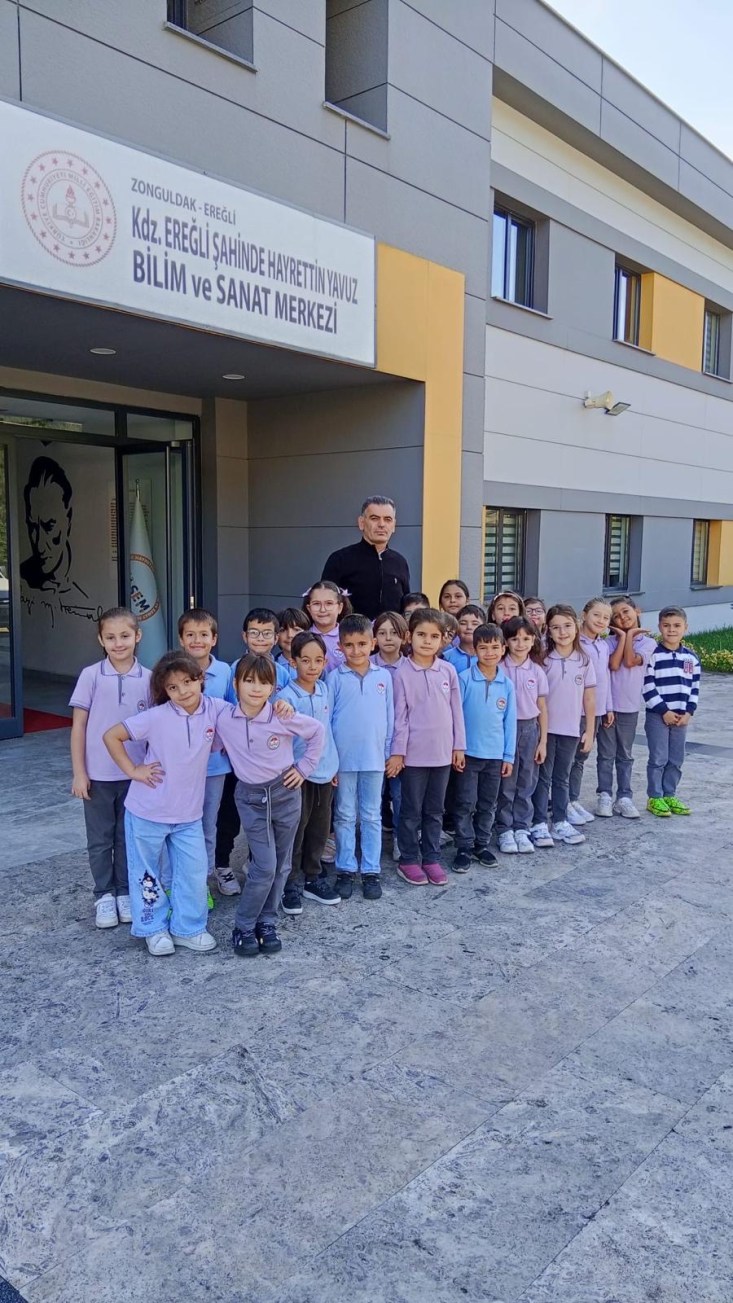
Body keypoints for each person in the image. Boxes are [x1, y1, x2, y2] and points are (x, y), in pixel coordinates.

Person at [103, 651, 221, 957]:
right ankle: (153, 929)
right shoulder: (156, 717)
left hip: (189, 815)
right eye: (173, 687)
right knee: (147, 874)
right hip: (148, 812)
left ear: (200, 679)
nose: (183, 691)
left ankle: (188, 928)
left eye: (188, 682)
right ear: (164, 691)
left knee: (193, 872)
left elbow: (246, 715)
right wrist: (133, 770)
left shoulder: (215, 709)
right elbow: (112, 736)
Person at [216, 654, 324, 956]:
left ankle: (267, 922)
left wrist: (303, 769)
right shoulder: (224, 717)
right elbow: (208, 738)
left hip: (285, 794)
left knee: (282, 864)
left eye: (264, 683)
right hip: (251, 799)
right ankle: (243, 925)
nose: (256, 688)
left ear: (273, 688)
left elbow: (317, 732)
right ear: (236, 684)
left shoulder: (281, 714)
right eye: (248, 681)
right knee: (264, 866)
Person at [69, 607, 152, 929]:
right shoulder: (91, 675)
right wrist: (80, 772)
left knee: (127, 836)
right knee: (100, 839)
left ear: (137, 636)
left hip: (135, 775)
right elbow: (79, 727)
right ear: (100, 640)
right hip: (98, 776)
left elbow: (154, 728)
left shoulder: (148, 679)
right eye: (111, 637)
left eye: (125, 636)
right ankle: (104, 894)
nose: (119, 643)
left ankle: (125, 891)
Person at [388, 609, 465, 886]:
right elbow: (399, 717)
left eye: (434, 636)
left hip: (442, 754)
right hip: (413, 756)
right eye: (421, 635)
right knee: (410, 811)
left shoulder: (448, 670)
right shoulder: (401, 673)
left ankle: (431, 858)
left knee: (434, 810)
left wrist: (459, 746)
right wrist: (398, 752)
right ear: (409, 636)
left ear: (443, 639)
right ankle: (408, 859)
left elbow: (456, 711)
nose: (427, 641)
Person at [214, 606, 292, 875]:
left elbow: (288, 709)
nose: (260, 638)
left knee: (265, 818)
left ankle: (255, 864)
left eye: (267, 633)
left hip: (270, 759)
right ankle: (222, 865)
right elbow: (227, 710)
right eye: (254, 632)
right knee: (229, 815)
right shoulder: (233, 670)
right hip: (239, 759)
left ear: (276, 637)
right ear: (244, 636)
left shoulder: (283, 672)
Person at [328, 613, 394, 901]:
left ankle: (370, 870)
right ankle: (345, 868)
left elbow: (390, 718)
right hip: (343, 761)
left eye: (362, 644)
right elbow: (326, 721)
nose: (356, 650)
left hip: (374, 759)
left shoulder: (384, 677)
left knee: (371, 815)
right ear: (340, 646)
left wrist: (389, 753)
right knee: (344, 814)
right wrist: (330, 761)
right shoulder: (334, 678)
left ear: (373, 643)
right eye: (349, 645)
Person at [277, 632, 341, 914]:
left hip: (325, 771)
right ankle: (289, 883)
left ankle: (312, 878)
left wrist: (334, 765)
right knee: (296, 828)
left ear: (325, 662)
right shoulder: (286, 697)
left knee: (320, 826)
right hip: (297, 774)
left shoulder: (325, 689)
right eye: (305, 660)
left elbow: (329, 729)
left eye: (318, 660)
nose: (312, 666)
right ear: (293, 662)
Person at [178, 607, 239, 897]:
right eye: (190, 635)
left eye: (204, 634)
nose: (197, 640)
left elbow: (233, 713)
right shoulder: (172, 669)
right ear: (181, 639)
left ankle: (203, 880)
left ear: (214, 639)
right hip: (181, 766)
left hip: (215, 765)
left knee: (209, 823)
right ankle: (182, 878)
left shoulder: (225, 671)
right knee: (182, 822)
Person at [530, 605, 596, 848]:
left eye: (567, 626)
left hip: (570, 729)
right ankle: (538, 822)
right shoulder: (543, 659)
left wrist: (589, 730)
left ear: (577, 626)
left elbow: (589, 698)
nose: (562, 632)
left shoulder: (584, 660)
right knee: (543, 777)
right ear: (548, 630)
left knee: (562, 777)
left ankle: (560, 821)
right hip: (545, 730)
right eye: (556, 627)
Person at [453, 622, 516, 872]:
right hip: (468, 754)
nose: (489, 652)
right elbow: (456, 717)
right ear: (475, 650)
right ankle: (464, 846)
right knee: (465, 803)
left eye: (494, 647)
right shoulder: (464, 679)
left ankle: (481, 844)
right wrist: (457, 747)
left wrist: (508, 756)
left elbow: (509, 722)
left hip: (495, 756)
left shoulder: (506, 684)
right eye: (483, 647)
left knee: (488, 803)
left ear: (503, 649)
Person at [598, 597, 657, 819]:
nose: (622, 618)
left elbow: (630, 661)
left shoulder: (648, 643)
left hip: (629, 708)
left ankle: (624, 796)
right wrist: (623, 637)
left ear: (636, 611)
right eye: (616, 616)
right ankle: (604, 794)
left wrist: (630, 635)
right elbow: (614, 665)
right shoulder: (608, 643)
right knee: (605, 754)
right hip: (607, 706)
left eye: (625, 612)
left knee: (624, 754)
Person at [495, 616, 548, 855]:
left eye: (526, 639)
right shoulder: (499, 667)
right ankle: (504, 828)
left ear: (534, 640)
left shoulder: (536, 670)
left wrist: (543, 741)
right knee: (506, 780)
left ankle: (521, 827)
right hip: (504, 729)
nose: (520, 644)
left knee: (527, 779)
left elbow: (542, 707)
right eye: (515, 639)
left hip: (529, 728)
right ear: (506, 641)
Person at [642, 606, 701, 817]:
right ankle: (655, 797)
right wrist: (663, 711)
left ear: (685, 627)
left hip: (681, 717)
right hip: (658, 715)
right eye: (666, 626)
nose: (672, 630)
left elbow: (694, 688)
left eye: (677, 625)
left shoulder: (691, 659)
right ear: (660, 627)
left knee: (676, 758)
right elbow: (647, 686)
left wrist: (689, 712)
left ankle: (669, 794)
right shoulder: (653, 656)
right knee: (658, 757)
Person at [321, 495, 411, 619]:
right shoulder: (340, 559)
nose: (381, 524)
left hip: (391, 631)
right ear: (361, 523)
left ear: (394, 525)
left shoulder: (400, 562)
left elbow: (406, 607)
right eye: (374, 518)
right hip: (350, 631)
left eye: (387, 519)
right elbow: (324, 603)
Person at [567, 598, 614, 825]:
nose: (601, 621)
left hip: (595, 711)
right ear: (584, 615)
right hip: (576, 710)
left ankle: (573, 798)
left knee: (581, 757)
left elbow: (606, 677)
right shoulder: (575, 642)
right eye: (596, 615)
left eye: (606, 618)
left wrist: (609, 706)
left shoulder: (603, 645)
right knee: (568, 758)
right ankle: (563, 801)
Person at [371, 610, 409, 861]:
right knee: (372, 799)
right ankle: (369, 845)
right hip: (372, 743)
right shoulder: (366, 664)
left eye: (394, 633)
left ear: (404, 636)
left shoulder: (410, 666)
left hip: (401, 743)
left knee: (400, 796)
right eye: (382, 633)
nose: (388, 638)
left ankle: (400, 840)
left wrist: (398, 750)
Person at [303, 580, 352, 672]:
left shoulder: (350, 636)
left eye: (329, 603)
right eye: (316, 604)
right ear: (309, 608)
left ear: (340, 607)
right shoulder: (302, 637)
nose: (322, 609)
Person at [443, 603, 484, 673]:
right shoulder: (447, 657)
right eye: (463, 623)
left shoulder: (488, 655)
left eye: (475, 624)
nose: (469, 627)